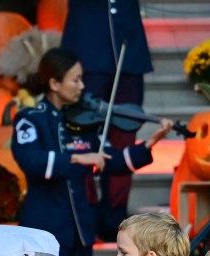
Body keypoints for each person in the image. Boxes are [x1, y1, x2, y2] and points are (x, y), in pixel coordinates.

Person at [12, 48, 173, 256]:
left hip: (80, 229)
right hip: (44, 230)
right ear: (54, 83)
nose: (82, 85)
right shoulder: (30, 119)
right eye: (75, 79)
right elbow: (29, 160)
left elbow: (111, 161)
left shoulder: (82, 124)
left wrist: (149, 145)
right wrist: (73, 160)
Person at [62, 0, 153, 240]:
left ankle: (115, 215)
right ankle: (85, 211)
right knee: (81, 135)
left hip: (128, 51)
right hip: (86, 47)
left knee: (124, 134)